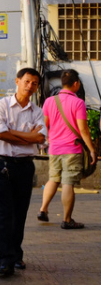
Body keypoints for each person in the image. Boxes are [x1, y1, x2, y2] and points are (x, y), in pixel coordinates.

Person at [0, 68, 45, 277]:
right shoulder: (1, 106)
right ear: (17, 81)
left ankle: (16, 254)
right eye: (27, 81)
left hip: (25, 166)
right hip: (3, 165)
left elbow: (40, 139)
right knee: (4, 214)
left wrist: (13, 134)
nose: (30, 86)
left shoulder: (37, 111)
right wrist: (26, 137)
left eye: (34, 84)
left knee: (20, 213)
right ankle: (5, 260)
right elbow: (0, 134)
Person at [39, 69, 96, 229]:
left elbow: (45, 124)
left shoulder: (49, 101)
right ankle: (67, 219)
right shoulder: (78, 103)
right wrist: (91, 149)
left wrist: (49, 139)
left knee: (53, 178)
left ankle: (43, 209)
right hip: (72, 148)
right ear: (76, 84)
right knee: (68, 183)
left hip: (54, 148)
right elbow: (83, 130)